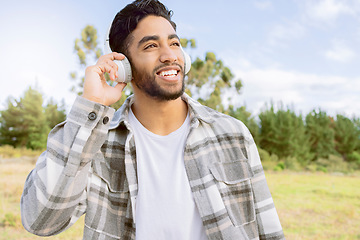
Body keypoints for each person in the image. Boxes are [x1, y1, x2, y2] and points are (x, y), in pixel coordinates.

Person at [21, 0, 285, 239]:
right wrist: (92, 106)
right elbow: (40, 221)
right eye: (151, 45)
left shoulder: (232, 133)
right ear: (124, 67)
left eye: (174, 43)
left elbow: (267, 227)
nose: (170, 55)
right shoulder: (95, 144)